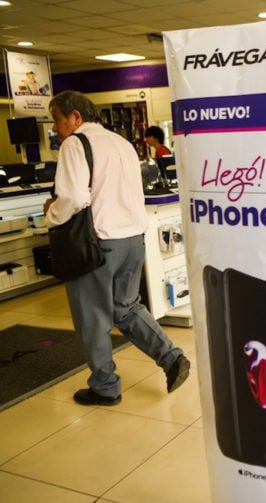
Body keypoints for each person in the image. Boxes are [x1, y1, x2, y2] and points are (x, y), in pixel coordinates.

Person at [43, 91, 190, 406]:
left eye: (57, 120)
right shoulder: (122, 143)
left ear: (76, 118)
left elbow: (74, 199)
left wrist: (50, 213)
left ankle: (105, 386)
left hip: (98, 243)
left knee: (91, 316)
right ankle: (171, 357)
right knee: (126, 307)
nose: (55, 128)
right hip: (133, 240)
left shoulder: (74, 144)